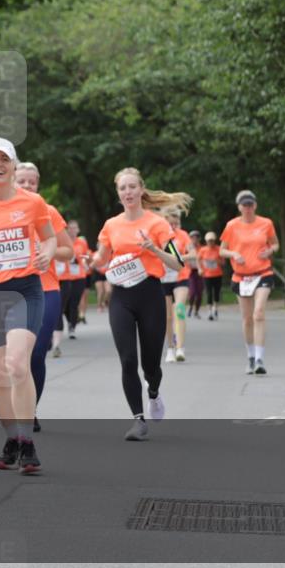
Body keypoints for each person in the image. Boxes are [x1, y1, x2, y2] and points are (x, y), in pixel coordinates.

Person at [94, 168, 189, 441]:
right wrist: (93, 261)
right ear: (118, 193)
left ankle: (154, 393)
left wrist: (154, 249)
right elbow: (101, 258)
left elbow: (177, 263)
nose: (128, 192)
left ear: (141, 189)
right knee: (127, 360)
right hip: (121, 296)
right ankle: (138, 420)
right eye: (123, 188)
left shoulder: (158, 224)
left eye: (132, 186)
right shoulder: (111, 225)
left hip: (150, 295)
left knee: (151, 365)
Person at [0, 138, 56, 474]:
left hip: (24, 289)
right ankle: (11, 438)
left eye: (4, 159)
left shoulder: (32, 202)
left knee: (17, 365)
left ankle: (27, 441)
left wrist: (47, 254)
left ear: (13, 165)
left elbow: (50, 237)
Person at [13, 162, 74, 430]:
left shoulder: (47, 211)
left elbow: (68, 251)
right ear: (13, 180)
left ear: (38, 184)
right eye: (22, 181)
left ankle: (30, 410)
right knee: (11, 356)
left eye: (32, 182)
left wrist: (46, 251)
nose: (27, 186)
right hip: (9, 289)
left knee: (36, 353)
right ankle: (5, 398)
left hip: (45, 289)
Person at [219, 190, 279, 375]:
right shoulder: (232, 225)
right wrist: (234, 254)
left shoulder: (266, 223)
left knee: (258, 313)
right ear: (239, 207)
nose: (248, 208)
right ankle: (251, 357)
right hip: (241, 276)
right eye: (244, 205)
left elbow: (275, 244)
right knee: (247, 319)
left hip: (263, 273)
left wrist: (270, 251)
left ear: (255, 205)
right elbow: (222, 250)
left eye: (250, 205)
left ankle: (260, 359)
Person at [160, 210, 193, 363]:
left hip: (181, 277)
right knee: (167, 316)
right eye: (170, 224)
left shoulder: (183, 235)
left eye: (175, 223)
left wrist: (178, 258)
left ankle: (180, 348)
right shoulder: (159, 235)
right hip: (164, 278)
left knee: (179, 309)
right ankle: (170, 348)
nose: (173, 226)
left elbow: (194, 254)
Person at [199, 232, 223, 320]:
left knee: (216, 293)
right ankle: (209, 312)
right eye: (209, 241)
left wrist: (216, 261)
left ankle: (215, 308)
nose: (210, 242)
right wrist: (200, 268)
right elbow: (198, 259)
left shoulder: (219, 249)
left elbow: (223, 262)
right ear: (206, 241)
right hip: (207, 275)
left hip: (217, 274)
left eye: (212, 241)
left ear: (214, 241)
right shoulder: (203, 250)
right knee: (209, 293)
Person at [186, 230, 204, 318]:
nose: (194, 239)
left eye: (196, 238)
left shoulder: (202, 248)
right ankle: (190, 306)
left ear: (199, 239)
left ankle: (196, 311)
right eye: (192, 238)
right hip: (190, 272)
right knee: (192, 292)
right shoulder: (187, 248)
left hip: (200, 272)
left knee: (199, 294)